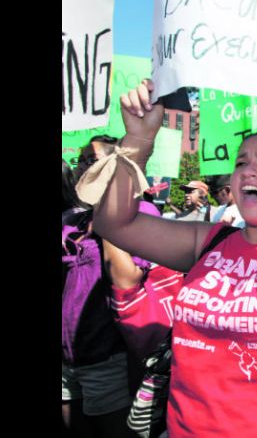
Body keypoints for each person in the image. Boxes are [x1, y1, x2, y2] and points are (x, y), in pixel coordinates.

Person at [81, 79, 257, 437]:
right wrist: (138, 139)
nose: (248, 170)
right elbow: (114, 223)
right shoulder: (210, 241)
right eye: (241, 162)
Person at [62, 159, 146, 438]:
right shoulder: (71, 221)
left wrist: (107, 219)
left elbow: (127, 277)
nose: (90, 169)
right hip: (67, 360)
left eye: (99, 162)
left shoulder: (141, 213)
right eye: (86, 162)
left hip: (106, 357)